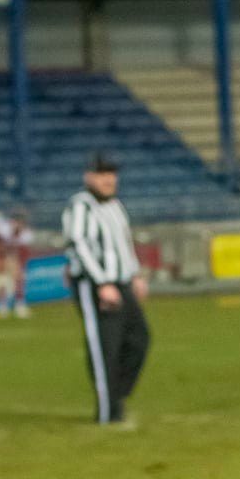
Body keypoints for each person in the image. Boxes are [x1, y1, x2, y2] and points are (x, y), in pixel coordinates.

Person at [62, 154, 150, 425]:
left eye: (112, 173)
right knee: (105, 347)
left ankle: (116, 395)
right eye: (102, 173)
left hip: (121, 281)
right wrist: (101, 282)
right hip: (95, 284)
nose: (109, 179)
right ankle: (107, 411)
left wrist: (134, 274)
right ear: (89, 177)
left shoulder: (115, 206)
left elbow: (123, 243)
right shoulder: (81, 206)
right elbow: (79, 243)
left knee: (139, 339)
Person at [0, 208, 34, 319]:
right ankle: (2, 305)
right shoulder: (4, 228)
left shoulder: (26, 233)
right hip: (4, 258)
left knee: (19, 282)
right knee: (2, 281)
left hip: (16, 259)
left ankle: (20, 304)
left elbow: (24, 251)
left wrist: (21, 264)